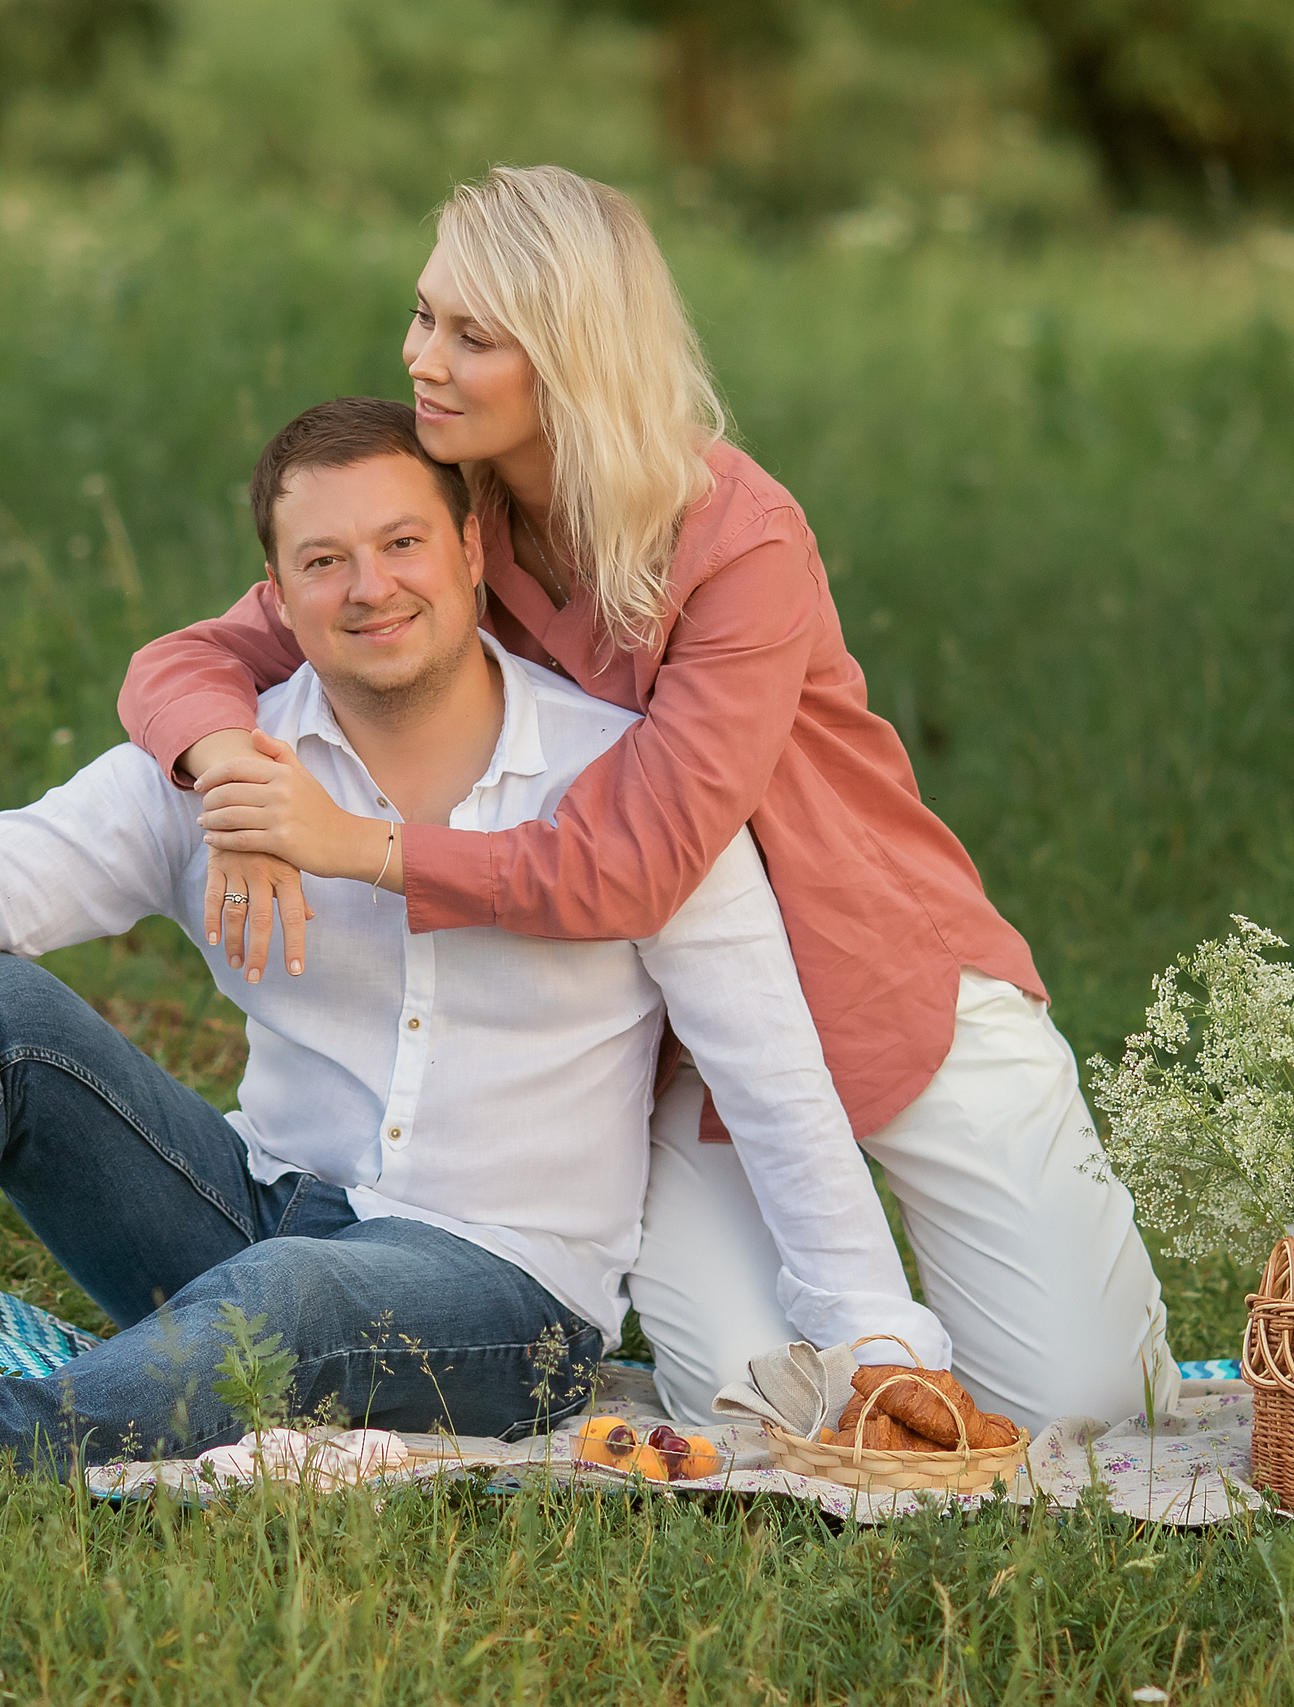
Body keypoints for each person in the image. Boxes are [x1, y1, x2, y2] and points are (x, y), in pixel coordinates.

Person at [0, 398, 944, 1469]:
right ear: (274, 594)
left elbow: (771, 1073)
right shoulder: (236, 772)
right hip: (260, 1208)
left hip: (509, 1302)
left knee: (294, 1289)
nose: (372, 585)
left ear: (471, 551)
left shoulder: (618, 781)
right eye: (324, 558)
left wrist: (877, 1337)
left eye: (404, 542)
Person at [122, 166, 1179, 1431]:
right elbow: (185, 663)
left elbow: (634, 866)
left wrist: (357, 847)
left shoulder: (738, 541)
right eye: (422, 316)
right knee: (748, 1400)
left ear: (567, 355)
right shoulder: (451, 533)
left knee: (1083, 1406)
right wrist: (234, 776)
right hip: (691, 1033)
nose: (422, 359)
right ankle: (855, 1316)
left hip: (880, 977)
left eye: (472, 335)